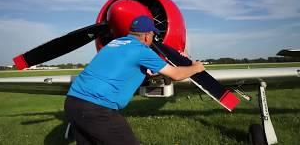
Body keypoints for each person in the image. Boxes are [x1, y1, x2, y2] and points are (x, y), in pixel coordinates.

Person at [64, 15, 205, 145]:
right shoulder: (141, 50)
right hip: (97, 109)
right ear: (146, 36)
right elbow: (176, 74)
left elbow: (124, 69)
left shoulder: (114, 44)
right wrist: (196, 67)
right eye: (153, 35)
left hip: (72, 103)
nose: (153, 39)